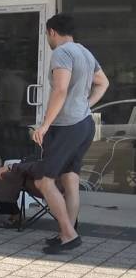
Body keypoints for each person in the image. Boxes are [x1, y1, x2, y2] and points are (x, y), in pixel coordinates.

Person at [32, 13, 109, 254]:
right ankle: (67, 231)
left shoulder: (62, 53)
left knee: (44, 182)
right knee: (70, 179)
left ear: (52, 32)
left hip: (67, 127)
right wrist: (86, 105)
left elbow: (61, 90)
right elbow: (103, 83)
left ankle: (68, 234)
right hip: (84, 124)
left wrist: (44, 125)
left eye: (47, 34)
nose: (48, 38)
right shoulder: (84, 52)